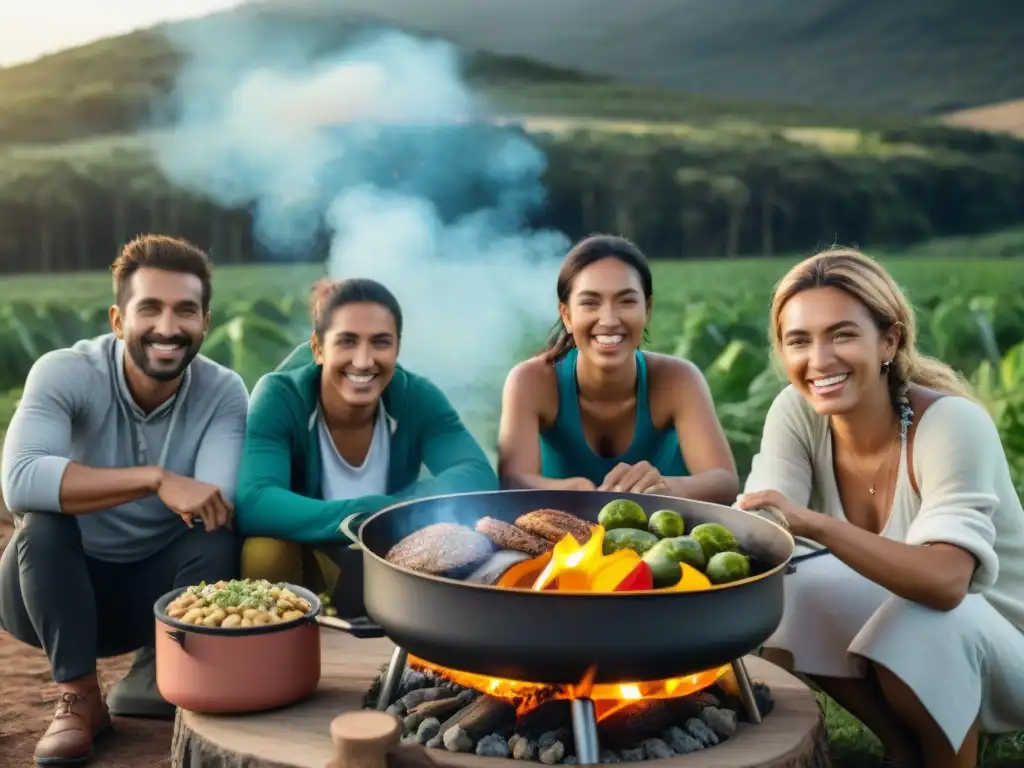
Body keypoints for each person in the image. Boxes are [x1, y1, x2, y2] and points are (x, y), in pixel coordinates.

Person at [735, 248, 1024, 768]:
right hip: (913, 620)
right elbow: (765, 527)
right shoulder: (797, 412)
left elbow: (945, 583)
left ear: (889, 339)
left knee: (924, 619)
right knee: (792, 589)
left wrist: (811, 523)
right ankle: (900, 748)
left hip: (1005, 648)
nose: (819, 360)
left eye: (842, 334)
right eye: (799, 341)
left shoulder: (953, 423)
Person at [0, 235, 248, 765]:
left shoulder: (224, 390)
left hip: (154, 601)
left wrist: (188, 494)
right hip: (49, 593)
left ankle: (170, 671)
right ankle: (78, 700)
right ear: (118, 320)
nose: (167, 327)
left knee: (219, 533)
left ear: (204, 321)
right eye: (149, 308)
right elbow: (20, 480)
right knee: (43, 522)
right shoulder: (65, 371)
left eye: (186, 310)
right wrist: (155, 478)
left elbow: (216, 500)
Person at [235, 278, 498, 610]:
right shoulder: (280, 396)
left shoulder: (415, 395)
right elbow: (255, 501)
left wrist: (395, 510)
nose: (363, 361)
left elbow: (476, 474)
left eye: (380, 343)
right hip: (313, 559)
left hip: (398, 558)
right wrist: (369, 515)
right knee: (264, 552)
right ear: (317, 349)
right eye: (347, 342)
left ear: (397, 348)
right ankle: (276, 652)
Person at [497, 234, 739, 502]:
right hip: (563, 542)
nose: (609, 320)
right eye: (590, 303)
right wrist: (576, 489)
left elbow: (724, 481)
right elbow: (512, 481)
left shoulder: (679, 379)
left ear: (647, 310)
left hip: (668, 539)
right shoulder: (531, 381)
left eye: (626, 301)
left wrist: (669, 487)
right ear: (566, 315)